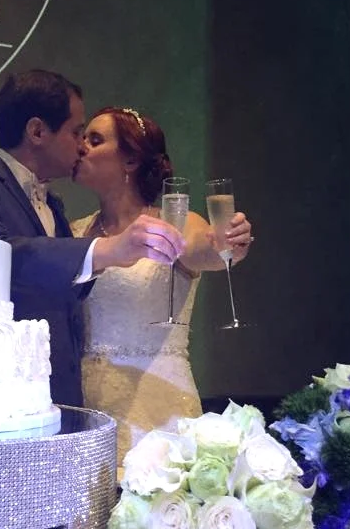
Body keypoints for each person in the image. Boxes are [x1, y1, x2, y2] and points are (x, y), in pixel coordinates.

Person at [0, 71, 186, 408]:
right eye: (75, 132)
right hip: (6, 400)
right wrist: (106, 250)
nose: (80, 145)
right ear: (37, 132)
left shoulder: (52, 203)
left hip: (64, 399)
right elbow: (2, 260)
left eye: (91, 138)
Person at [71, 106, 253, 462]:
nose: (81, 147)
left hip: (160, 410)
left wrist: (227, 242)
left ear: (130, 161)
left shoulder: (176, 222)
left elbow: (204, 250)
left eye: (95, 139)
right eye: (82, 137)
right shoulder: (76, 233)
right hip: (89, 413)